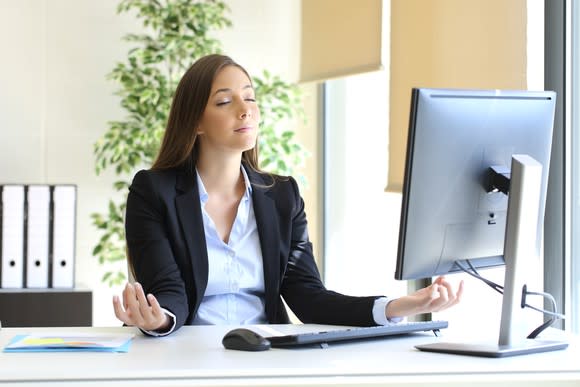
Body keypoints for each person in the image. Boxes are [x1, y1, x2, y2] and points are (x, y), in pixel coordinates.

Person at [112, 54, 463, 336]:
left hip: (266, 354)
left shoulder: (282, 196)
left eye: (250, 97)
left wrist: (396, 307)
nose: (245, 108)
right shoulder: (153, 192)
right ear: (196, 122)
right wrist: (159, 320)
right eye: (224, 101)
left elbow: (309, 297)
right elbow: (168, 289)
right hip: (188, 359)